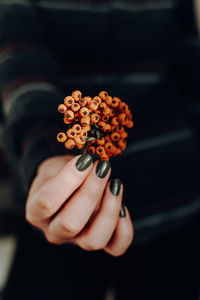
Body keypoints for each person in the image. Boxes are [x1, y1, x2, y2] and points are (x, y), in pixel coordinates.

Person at [0, 0, 200, 299]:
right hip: (61, 201)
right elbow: (22, 69)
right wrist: (46, 157)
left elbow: (189, 69)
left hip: (175, 197)